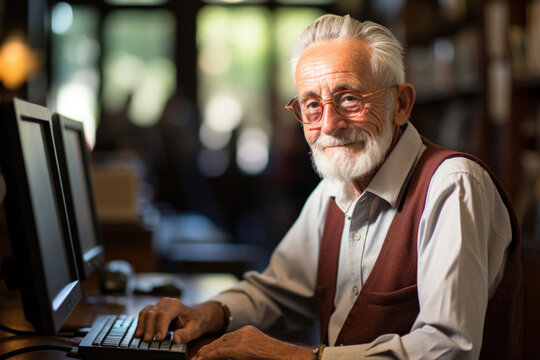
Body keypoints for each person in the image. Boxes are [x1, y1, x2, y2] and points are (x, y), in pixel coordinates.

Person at [134, 14, 522, 359]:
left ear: (401, 104)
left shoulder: (453, 187)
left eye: (349, 98)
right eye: (312, 105)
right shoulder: (332, 191)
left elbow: (448, 348)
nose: (329, 124)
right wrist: (207, 312)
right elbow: (278, 290)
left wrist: (296, 358)